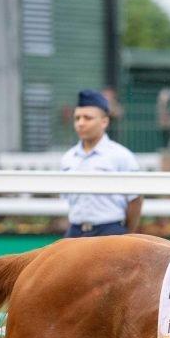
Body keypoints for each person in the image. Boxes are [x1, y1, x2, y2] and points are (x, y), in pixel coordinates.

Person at [61, 89, 143, 237]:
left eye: (88, 118)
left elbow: (135, 201)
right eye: (77, 118)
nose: (80, 123)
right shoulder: (68, 158)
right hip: (75, 231)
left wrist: (126, 234)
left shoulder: (121, 156)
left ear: (104, 121)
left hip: (109, 231)